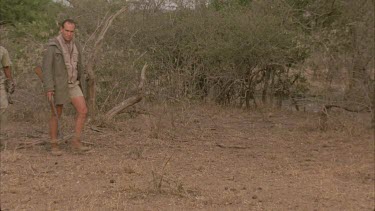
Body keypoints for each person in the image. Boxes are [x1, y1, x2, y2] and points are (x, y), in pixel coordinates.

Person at [42, 19, 89, 155]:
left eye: (71, 31)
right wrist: (49, 88)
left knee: (83, 110)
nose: (69, 34)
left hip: (73, 83)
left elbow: (79, 65)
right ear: (61, 29)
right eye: (66, 30)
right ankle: (54, 144)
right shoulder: (52, 46)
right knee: (56, 114)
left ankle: (76, 141)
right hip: (59, 85)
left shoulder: (77, 45)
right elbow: (46, 69)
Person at [0, 46, 15, 133]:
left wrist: (10, 81)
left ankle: (1, 134)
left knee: (3, 106)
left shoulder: (2, 50)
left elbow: (6, 67)